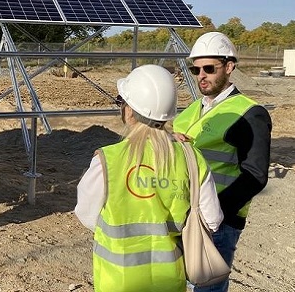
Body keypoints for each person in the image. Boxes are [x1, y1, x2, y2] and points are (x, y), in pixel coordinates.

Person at [75, 64, 223, 292]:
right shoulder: (191, 157)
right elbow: (212, 220)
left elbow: (86, 215)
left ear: (130, 111)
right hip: (169, 282)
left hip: (117, 282)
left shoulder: (107, 161)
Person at [172, 32, 272, 292]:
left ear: (229, 67)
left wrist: (213, 214)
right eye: (196, 69)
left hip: (218, 222)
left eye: (209, 68)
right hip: (184, 214)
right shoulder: (193, 109)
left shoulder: (250, 113)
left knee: (204, 288)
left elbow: (255, 175)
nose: (201, 75)